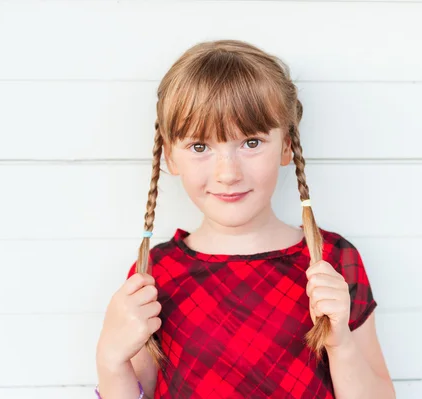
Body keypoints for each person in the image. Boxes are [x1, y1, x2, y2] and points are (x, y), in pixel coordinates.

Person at [95, 39, 395, 399]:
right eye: (200, 147)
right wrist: (110, 361)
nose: (228, 173)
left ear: (287, 145)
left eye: (251, 143)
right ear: (170, 158)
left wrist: (341, 343)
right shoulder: (155, 275)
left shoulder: (332, 260)